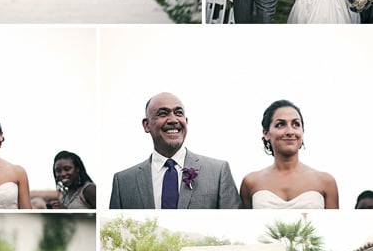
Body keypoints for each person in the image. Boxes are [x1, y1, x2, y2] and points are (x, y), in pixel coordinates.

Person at [109, 92, 240, 209]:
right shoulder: (123, 182)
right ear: (146, 125)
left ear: (186, 121)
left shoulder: (218, 172)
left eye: (179, 113)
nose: (173, 120)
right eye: (163, 114)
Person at [240, 99, 339, 209]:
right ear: (266, 133)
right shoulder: (250, 182)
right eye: (280, 124)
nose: (290, 131)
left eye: (296, 124)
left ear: (302, 131)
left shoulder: (326, 182)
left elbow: (333, 226)